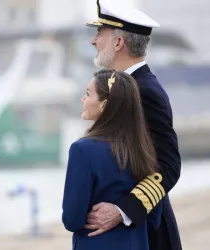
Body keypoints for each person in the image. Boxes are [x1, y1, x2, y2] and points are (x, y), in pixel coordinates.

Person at [84, 1, 182, 249]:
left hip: (148, 233)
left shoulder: (145, 91)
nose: (93, 41)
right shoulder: (120, 88)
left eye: (100, 34)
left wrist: (123, 209)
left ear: (119, 43)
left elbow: (168, 165)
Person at [62, 70, 162, 250]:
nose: (82, 100)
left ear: (104, 105)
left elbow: (72, 219)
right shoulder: (144, 148)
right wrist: (123, 214)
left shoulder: (82, 150)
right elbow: (154, 217)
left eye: (87, 94)